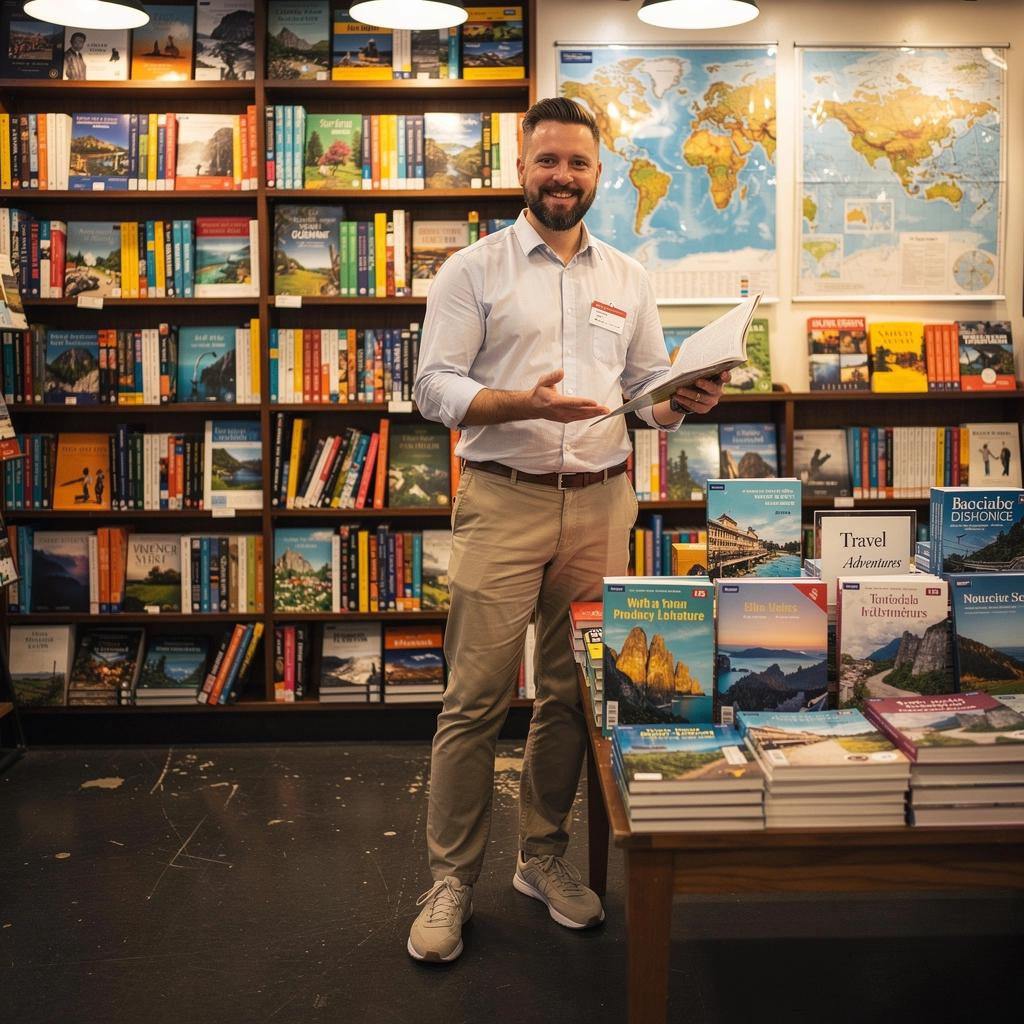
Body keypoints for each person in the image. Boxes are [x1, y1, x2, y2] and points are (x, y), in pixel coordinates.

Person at [408, 97, 727, 963]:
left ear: (598, 173)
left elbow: (650, 391)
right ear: (521, 169)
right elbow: (432, 388)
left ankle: (541, 857)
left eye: (578, 163)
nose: (562, 176)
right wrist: (522, 403)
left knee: (572, 695)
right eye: (547, 161)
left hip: (601, 502)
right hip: (503, 498)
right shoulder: (472, 270)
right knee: (472, 700)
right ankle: (449, 882)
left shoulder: (627, 276)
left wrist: (683, 400)